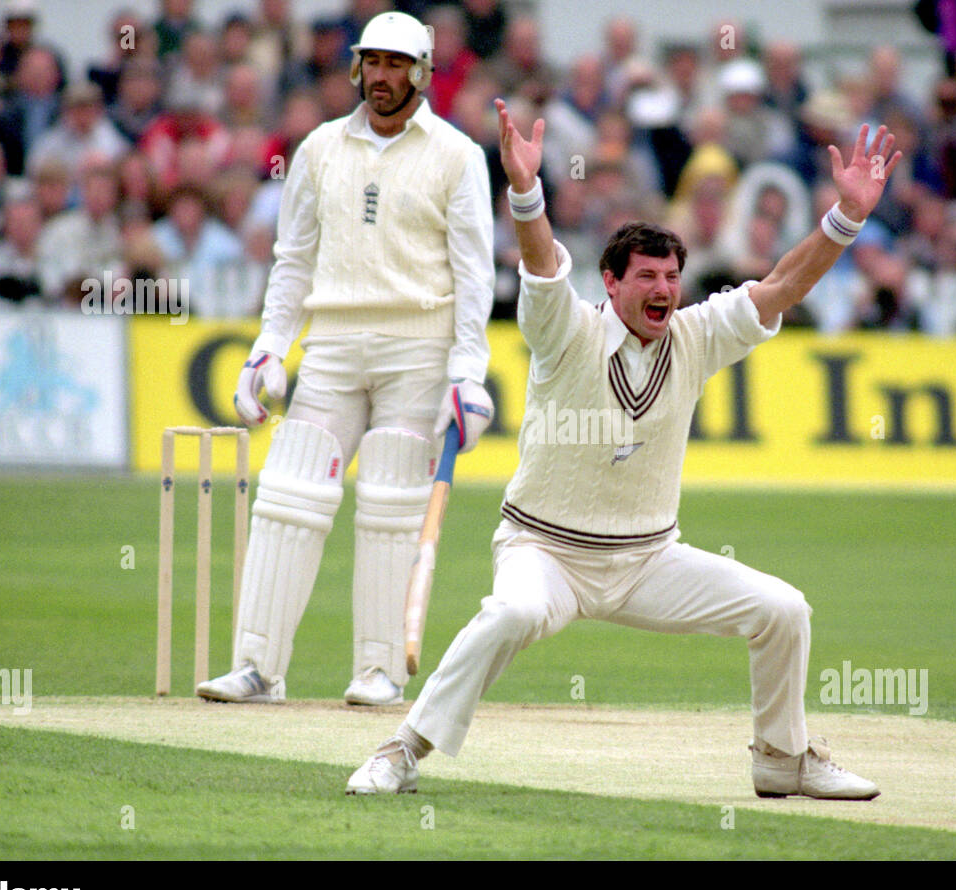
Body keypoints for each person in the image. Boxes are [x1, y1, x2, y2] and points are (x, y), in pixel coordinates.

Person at [346, 99, 902, 799]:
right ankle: (402, 747)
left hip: (647, 559)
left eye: (671, 276)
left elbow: (783, 284)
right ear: (611, 283)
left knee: (784, 608)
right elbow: (544, 262)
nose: (664, 289)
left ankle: (780, 758)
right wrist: (526, 191)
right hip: (544, 551)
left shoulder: (696, 336)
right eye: (647, 276)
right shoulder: (566, 332)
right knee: (512, 613)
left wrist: (844, 219)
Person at [196, 11, 495, 707]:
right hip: (331, 343)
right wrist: (270, 346)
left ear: (421, 73)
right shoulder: (319, 148)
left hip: (417, 346)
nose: (383, 78)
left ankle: (379, 670)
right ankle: (258, 667)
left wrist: (467, 371)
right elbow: (293, 258)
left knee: (392, 504)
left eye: (398, 65)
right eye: (373, 64)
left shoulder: (455, 154)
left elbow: (475, 272)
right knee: (289, 495)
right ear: (357, 67)